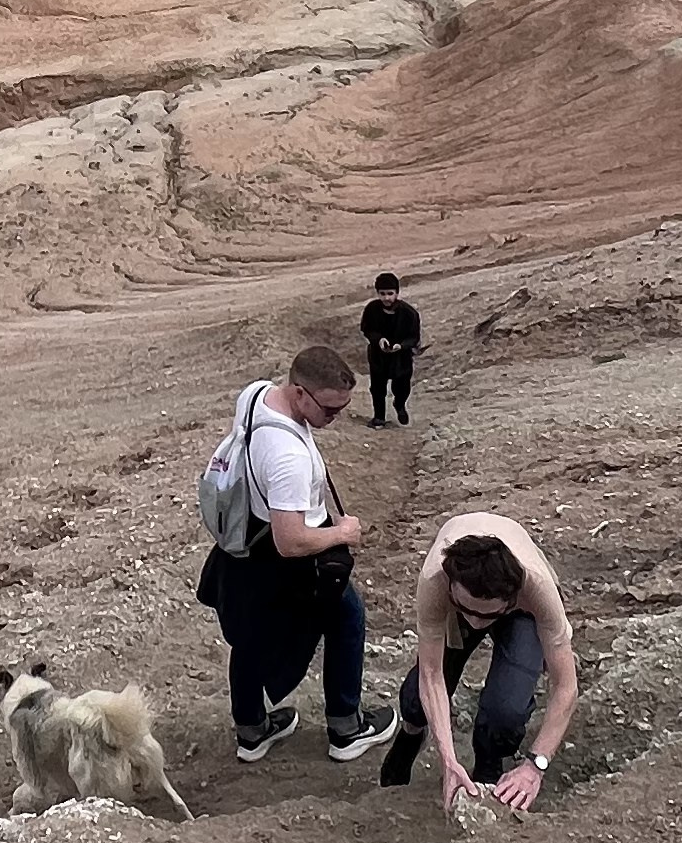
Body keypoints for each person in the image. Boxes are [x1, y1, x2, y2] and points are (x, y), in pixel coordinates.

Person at [206, 345, 397, 766]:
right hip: (288, 559)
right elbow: (290, 541)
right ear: (299, 394)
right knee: (348, 618)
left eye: (343, 407)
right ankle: (346, 728)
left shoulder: (256, 394)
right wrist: (341, 532)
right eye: (329, 408)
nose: (336, 417)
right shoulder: (288, 456)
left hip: (245, 547)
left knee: (249, 635)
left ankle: (252, 730)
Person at [380, 511, 577, 811]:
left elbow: (566, 686)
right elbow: (432, 675)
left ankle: (489, 762)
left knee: (506, 710)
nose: (475, 623)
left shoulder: (537, 589)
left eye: (485, 615)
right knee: (417, 699)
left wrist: (535, 766)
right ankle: (411, 733)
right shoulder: (435, 580)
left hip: (516, 611)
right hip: (457, 604)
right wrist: (448, 759)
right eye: (468, 611)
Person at [359, 273, 424, 426]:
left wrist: (401, 346)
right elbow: (366, 329)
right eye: (382, 294)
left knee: (402, 387)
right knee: (377, 388)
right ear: (377, 294)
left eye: (390, 293)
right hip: (378, 356)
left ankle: (400, 405)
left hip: (401, 358)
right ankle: (379, 417)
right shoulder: (371, 309)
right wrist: (378, 339)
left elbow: (414, 337)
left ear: (397, 293)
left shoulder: (409, 313)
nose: (386, 298)